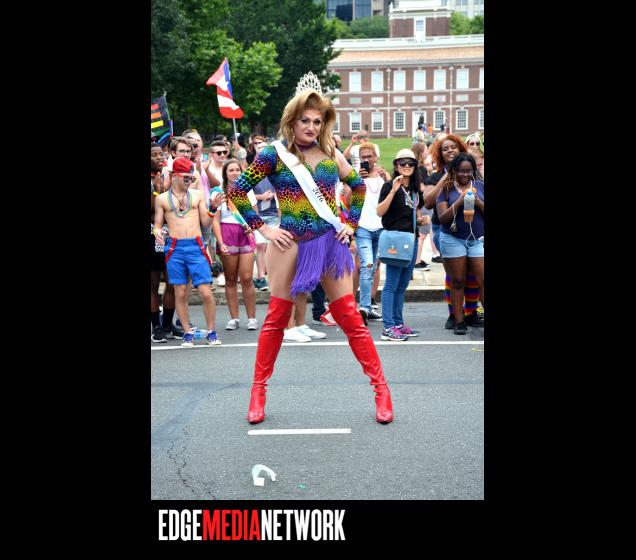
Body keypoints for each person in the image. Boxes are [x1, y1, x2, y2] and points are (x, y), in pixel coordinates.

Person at [228, 74, 393, 424]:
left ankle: (381, 390)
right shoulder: (274, 155)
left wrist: (350, 224)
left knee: (351, 319)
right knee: (276, 321)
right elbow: (237, 190)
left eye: (318, 121)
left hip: (329, 243)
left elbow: (358, 187)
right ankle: (258, 392)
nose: (311, 127)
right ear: (292, 120)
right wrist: (263, 228)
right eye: (305, 120)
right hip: (288, 243)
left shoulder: (330, 153)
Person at [153, 157, 222, 347]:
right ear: (175, 176)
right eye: (186, 178)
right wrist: (157, 233)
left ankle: (212, 332)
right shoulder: (161, 199)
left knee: (205, 292)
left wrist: (213, 208)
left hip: (196, 246)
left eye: (191, 178)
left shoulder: (197, 195)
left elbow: (206, 223)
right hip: (174, 248)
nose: (189, 181)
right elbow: (157, 225)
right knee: (180, 292)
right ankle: (187, 333)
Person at [424, 134, 483, 328]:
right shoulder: (437, 177)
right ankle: (455, 316)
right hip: (447, 230)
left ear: (460, 149)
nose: (449, 151)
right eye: (445, 149)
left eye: (453, 147)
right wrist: (447, 177)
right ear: (440, 154)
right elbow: (428, 203)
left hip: (475, 232)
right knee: (455, 276)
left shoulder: (475, 176)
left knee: (474, 276)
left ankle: (471, 312)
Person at [376, 149, 425, 342]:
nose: (406, 166)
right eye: (402, 163)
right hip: (395, 241)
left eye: (410, 163)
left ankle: (398, 323)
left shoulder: (415, 190)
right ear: (396, 166)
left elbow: (416, 215)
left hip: (411, 240)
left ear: (415, 166)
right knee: (391, 284)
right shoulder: (389, 186)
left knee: (402, 285)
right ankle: (388, 327)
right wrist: (393, 190)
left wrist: (421, 220)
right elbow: (380, 212)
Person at [435, 153, 484, 334]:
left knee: (482, 280)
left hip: (477, 239)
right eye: (461, 171)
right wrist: (458, 202)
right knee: (457, 280)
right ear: (454, 171)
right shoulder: (446, 189)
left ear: (473, 171)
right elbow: (442, 218)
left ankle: (473, 314)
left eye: (468, 171)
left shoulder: (481, 186)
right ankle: (459, 321)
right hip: (453, 239)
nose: (464, 174)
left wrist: (479, 203)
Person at [211, 159, 259, 331]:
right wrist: (221, 242)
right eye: (231, 170)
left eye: (237, 169)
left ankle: (252, 318)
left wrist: (251, 226)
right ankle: (234, 318)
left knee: (247, 277)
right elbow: (215, 221)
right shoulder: (218, 192)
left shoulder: (247, 190)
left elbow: (254, 215)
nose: (235, 173)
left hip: (244, 233)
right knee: (230, 279)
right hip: (227, 233)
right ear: (225, 173)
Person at [150, 143, 183, 342]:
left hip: (171, 234)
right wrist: (156, 190)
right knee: (153, 283)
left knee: (172, 281)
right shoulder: (155, 182)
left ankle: (168, 324)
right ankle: (156, 327)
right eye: (154, 154)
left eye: (160, 154)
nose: (158, 157)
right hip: (153, 236)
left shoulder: (168, 177)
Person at [355, 142, 390, 323]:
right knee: (367, 265)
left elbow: (394, 195)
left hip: (381, 227)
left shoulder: (383, 176)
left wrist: (387, 178)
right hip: (363, 228)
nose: (367, 159)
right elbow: (347, 200)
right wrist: (356, 181)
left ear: (376, 157)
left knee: (374, 266)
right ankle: (363, 307)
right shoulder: (355, 176)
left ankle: (368, 307)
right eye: (363, 157)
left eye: (370, 156)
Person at [251, 138, 278, 291]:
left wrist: (274, 194)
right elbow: (244, 194)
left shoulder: (277, 171)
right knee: (260, 245)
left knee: (273, 246)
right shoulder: (253, 173)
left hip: (274, 213)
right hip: (259, 214)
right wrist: (261, 197)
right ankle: (261, 277)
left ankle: (274, 276)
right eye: (261, 153)